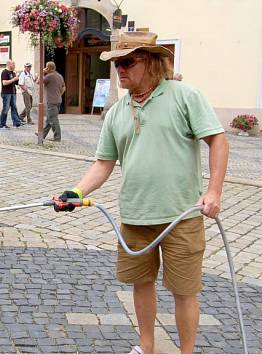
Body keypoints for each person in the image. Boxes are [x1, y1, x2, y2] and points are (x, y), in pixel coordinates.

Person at [54, 31, 229, 354]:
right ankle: (146, 347)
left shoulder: (184, 95)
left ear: (149, 62)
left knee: (184, 291)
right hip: (135, 216)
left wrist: (214, 191)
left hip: (182, 216)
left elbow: (218, 139)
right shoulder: (117, 112)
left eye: (127, 62)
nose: (120, 69)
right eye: (117, 63)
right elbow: (103, 164)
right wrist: (75, 191)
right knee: (141, 284)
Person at [37, 61, 65, 141]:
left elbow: (38, 82)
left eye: (46, 67)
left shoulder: (49, 76)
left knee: (53, 119)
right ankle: (42, 135)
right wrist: (59, 94)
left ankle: (57, 137)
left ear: (48, 68)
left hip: (51, 101)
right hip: (58, 100)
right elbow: (64, 87)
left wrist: (42, 73)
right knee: (49, 119)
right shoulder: (60, 76)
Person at [0, 59, 22, 129]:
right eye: (13, 64)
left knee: (14, 108)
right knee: (5, 109)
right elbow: (4, 83)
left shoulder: (13, 73)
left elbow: (16, 83)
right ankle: (2, 124)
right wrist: (14, 79)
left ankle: (16, 123)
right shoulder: (4, 72)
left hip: (13, 93)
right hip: (6, 93)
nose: (14, 66)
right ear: (9, 64)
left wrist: (18, 78)